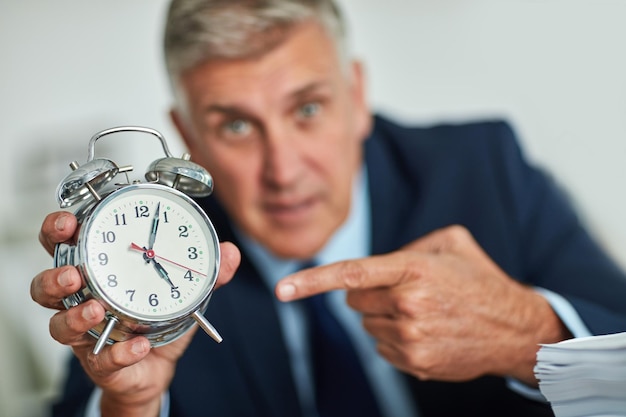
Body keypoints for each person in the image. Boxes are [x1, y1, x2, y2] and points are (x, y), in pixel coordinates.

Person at [31, 0, 626, 416]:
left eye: (308, 109)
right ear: (188, 134)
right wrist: (130, 406)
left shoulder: (484, 166)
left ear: (358, 96)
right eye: (236, 125)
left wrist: (523, 335)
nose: (283, 170)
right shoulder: (141, 270)